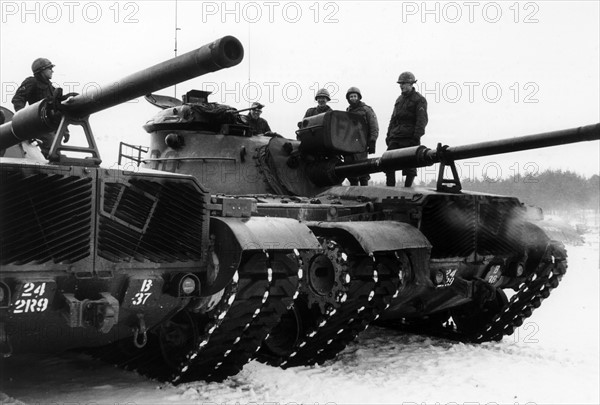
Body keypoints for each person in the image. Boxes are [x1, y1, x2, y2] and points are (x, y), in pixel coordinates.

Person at [385, 71, 428, 187]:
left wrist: (416, 137)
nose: (401, 86)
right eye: (400, 83)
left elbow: (422, 120)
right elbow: (393, 119)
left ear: (411, 84)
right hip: (396, 136)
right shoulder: (399, 99)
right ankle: (390, 188)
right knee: (388, 163)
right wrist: (388, 135)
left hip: (410, 137)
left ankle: (408, 189)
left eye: (404, 83)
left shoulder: (419, 99)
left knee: (410, 165)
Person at [11, 58, 58, 157]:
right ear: (42, 70)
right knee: (53, 154)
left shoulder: (51, 88)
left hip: (49, 127)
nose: (52, 71)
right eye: (49, 68)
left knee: (55, 153)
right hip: (38, 124)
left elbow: (57, 109)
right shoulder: (32, 82)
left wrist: (64, 130)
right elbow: (18, 100)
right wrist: (23, 119)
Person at [345, 86, 379, 186]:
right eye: (351, 97)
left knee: (363, 168)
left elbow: (374, 126)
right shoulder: (347, 111)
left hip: (362, 142)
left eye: (355, 96)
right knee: (348, 168)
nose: (353, 98)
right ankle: (354, 190)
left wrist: (372, 141)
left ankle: (364, 190)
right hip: (349, 144)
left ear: (359, 97)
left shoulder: (366, 110)